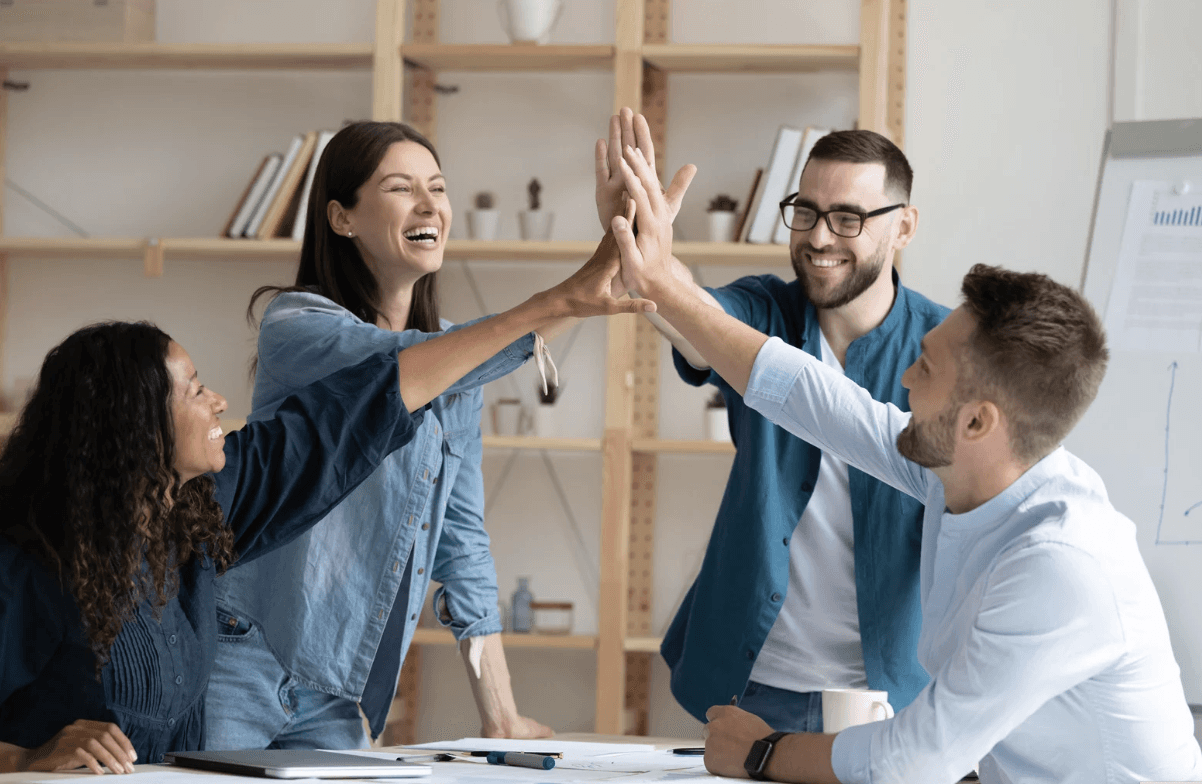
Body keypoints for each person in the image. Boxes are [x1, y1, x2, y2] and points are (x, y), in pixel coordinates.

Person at [608, 142, 1202, 783]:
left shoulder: (1061, 563)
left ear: (977, 422)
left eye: (925, 369)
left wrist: (762, 753)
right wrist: (661, 280)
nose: (903, 383)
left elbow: (913, 759)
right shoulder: (963, 470)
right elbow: (820, 402)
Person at [0, 225, 651, 774]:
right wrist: (27, 758)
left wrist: (558, 303)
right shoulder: (33, 562)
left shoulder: (199, 512)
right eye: (195, 390)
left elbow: (362, 408)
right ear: (135, 426)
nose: (220, 401)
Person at [206, 120, 609, 750]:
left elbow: (463, 543)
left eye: (438, 188)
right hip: (239, 658)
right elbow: (398, 370)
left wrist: (501, 714)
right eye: (402, 188)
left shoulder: (458, 365)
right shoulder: (298, 326)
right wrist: (564, 299)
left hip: (338, 682)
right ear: (342, 218)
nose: (430, 206)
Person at [594, 109, 947, 730]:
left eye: (848, 217)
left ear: (904, 228)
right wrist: (641, 250)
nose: (817, 237)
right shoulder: (765, 309)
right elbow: (698, 320)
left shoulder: (947, 348)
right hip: (752, 684)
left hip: (892, 692)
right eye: (805, 211)